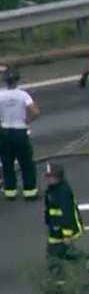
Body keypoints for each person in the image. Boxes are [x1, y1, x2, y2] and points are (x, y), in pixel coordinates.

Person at [44, 163, 89, 275]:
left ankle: (58, 278)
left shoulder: (62, 192)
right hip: (56, 227)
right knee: (62, 252)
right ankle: (87, 260)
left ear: (57, 177)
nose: (47, 179)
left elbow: (67, 214)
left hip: (63, 228)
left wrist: (67, 235)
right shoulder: (53, 189)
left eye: (50, 176)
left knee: (54, 253)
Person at [0, 66, 40, 200]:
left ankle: (10, 192)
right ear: (17, 80)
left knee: (7, 163)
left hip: (5, 132)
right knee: (26, 163)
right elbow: (35, 112)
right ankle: (30, 192)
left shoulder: (0, 95)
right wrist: (27, 120)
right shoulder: (23, 95)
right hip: (20, 131)